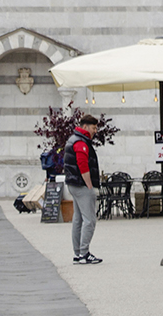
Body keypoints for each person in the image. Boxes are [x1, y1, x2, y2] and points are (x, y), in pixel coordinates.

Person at [64, 114, 102, 265]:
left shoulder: (74, 139)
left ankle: (77, 253)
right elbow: (82, 165)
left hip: (73, 184)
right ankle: (84, 253)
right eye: (93, 128)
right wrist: (90, 186)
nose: (95, 131)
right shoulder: (81, 142)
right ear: (85, 127)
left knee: (78, 219)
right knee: (89, 219)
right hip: (81, 184)